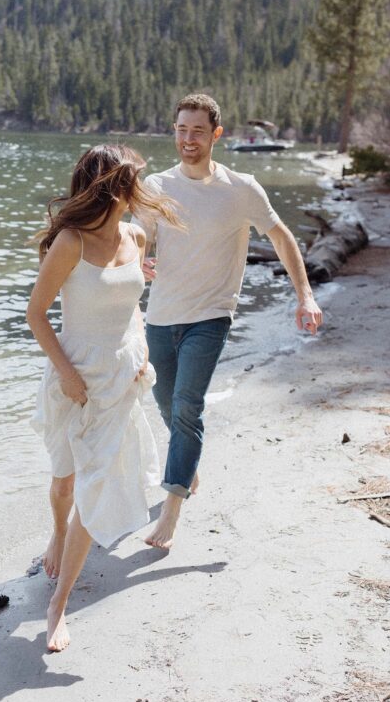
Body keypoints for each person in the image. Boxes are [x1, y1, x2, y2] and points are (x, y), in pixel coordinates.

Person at [133, 93, 323, 550]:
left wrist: (306, 295)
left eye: (198, 131)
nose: (188, 139)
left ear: (216, 134)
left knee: (186, 405)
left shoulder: (242, 189)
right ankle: (188, 465)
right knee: (165, 405)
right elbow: (138, 238)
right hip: (160, 316)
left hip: (212, 316)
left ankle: (172, 508)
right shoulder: (157, 186)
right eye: (181, 129)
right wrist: (136, 264)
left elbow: (281, 237)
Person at [27, 144, 180, 652]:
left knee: (94, 487)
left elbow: (133, 304)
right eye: (136, 179)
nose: (145, 187)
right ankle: (56, 531)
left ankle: (58, 607)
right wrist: (67, 375)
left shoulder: (136, 235)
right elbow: (36, 315)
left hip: (120, 379)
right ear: (116, 185)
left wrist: (140, 348)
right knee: (65, 479)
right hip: (76, 373)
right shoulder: (70, 241)